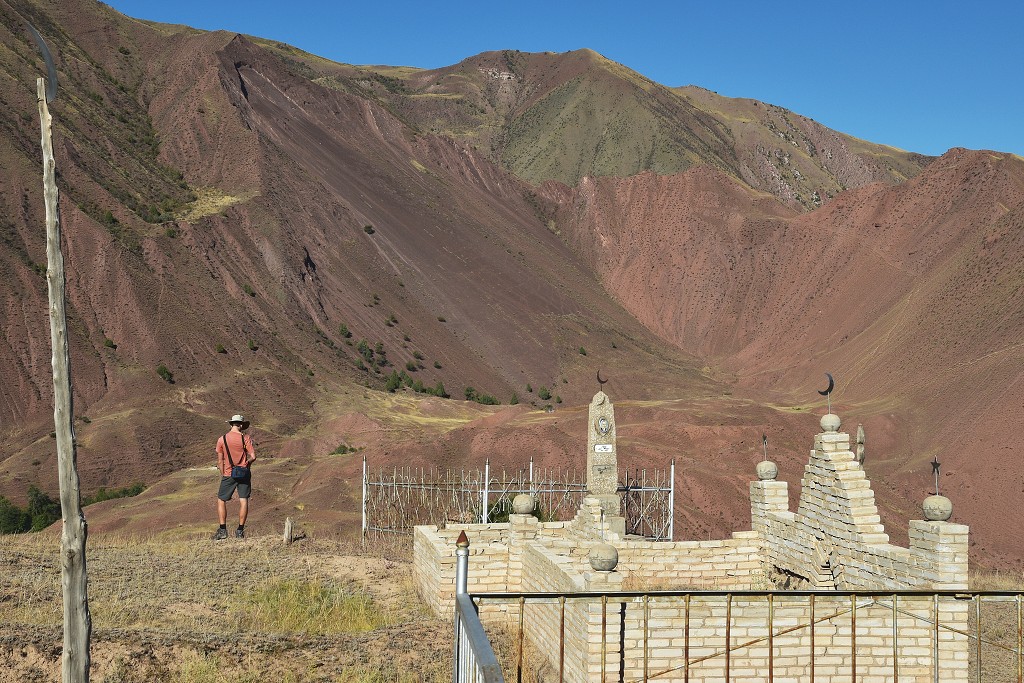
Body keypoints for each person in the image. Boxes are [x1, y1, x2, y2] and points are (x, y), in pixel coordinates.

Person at [213, 414, 256, 540]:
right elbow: (253, 456)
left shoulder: (222, 439)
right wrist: (246, 464)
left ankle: (222, 530)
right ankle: (239, 531)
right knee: (243, 500)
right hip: (244, 473)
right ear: (241, 425)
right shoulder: (245, 438)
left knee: (221, 500)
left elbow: (220, 460)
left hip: (228, 473)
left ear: (231, 424)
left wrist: (224, 473)